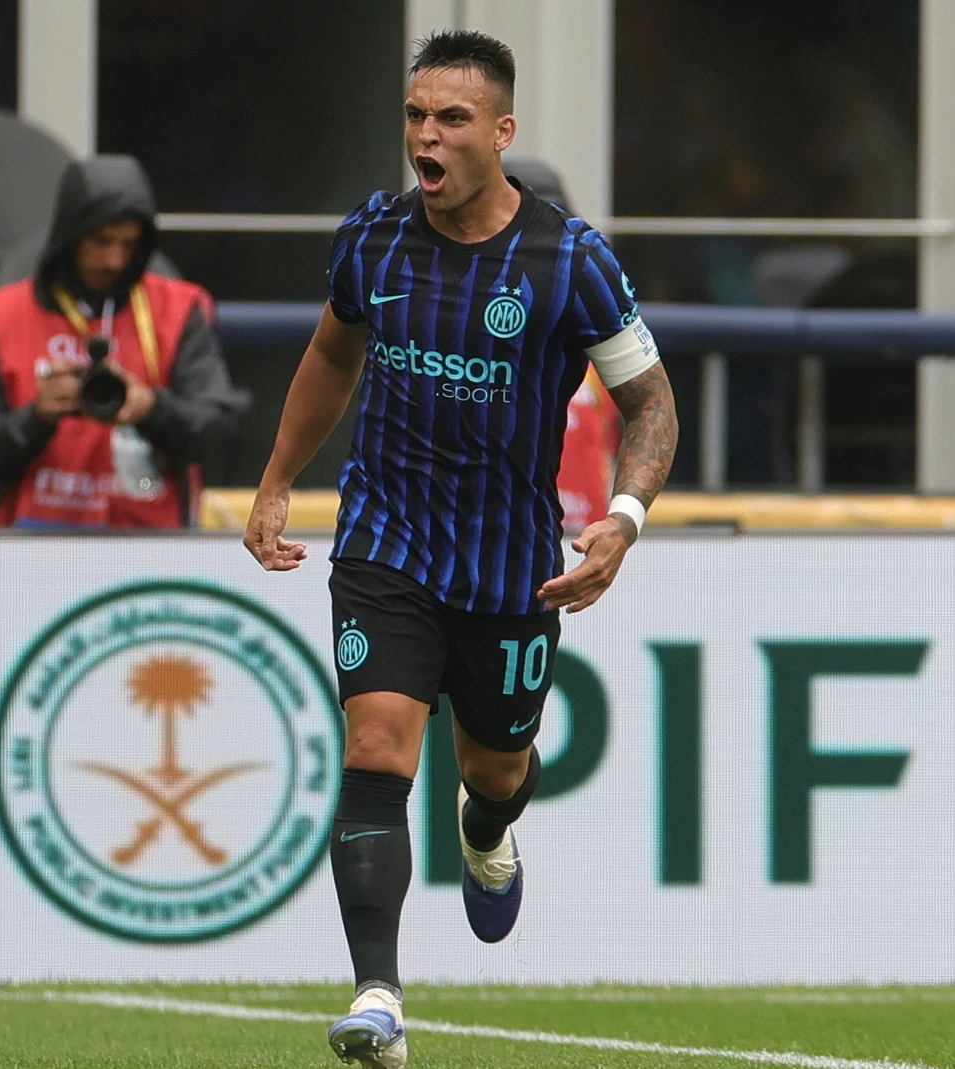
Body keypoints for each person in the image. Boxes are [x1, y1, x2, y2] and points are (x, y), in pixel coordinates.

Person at [241, 31, 677, 1069]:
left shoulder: (569, 258)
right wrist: (274, 478)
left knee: (496, 766)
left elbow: (649, 402)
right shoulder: (373, 241)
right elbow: (329, 357)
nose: (423, 137)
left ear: (501, 133)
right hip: (385, 546)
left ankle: (484, 836)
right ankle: (378, 995)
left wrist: (624, 517)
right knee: (376, 747)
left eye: (449, 120)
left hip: (508, 565)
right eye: (413, 116)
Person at [0, 155, 245, 528]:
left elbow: (218, 434)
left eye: (128, 244)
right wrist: (36, 417)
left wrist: (153, 409)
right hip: (31, 548)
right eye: (100, 241)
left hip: (150, 544)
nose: (114, 260)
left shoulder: (180, 312)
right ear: (70, 235)